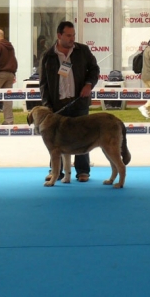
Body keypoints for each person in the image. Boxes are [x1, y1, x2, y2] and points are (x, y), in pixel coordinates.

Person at [39, 21, 100, 182]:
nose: (72, 38)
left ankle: (82, 171)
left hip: (78, 102)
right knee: (55, 141)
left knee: (83, 136)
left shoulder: (83, 51)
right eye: (68, 35)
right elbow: (43, 84)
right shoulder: (48, 56)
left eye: (73, 35)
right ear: (59, 36)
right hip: (57, 105)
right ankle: (56, 172)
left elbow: (94, 70)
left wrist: (88, 85)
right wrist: (47, 106)